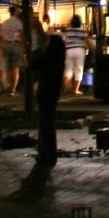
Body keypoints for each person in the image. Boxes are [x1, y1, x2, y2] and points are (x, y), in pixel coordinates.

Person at [33, 32, 66, 164]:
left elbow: (32, 63)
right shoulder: (58, 59)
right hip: (53, 93)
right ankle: (48, 151)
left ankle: (46, 152)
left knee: (45, 124)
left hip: (46, 92)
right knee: (48, 124)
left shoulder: (48, 59)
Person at [0, 7, 26, 100]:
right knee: (15, 69)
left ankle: (7, 87)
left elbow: (0, 36)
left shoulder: (4, 23)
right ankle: (12, 90)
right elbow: (20, 34)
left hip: (5, 46)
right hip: (15, 46)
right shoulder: (18, 22)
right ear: (15, 12)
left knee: (7, 68)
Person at [60, 15, 89, 95]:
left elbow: (64, 39)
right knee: (79, 69)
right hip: (80, 50)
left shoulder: (68, 30)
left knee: (68, 70)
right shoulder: (82, 30)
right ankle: (75, 90)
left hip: (69, 50)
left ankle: (63, 87)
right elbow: (86, 40)